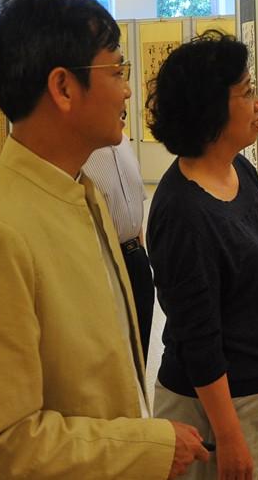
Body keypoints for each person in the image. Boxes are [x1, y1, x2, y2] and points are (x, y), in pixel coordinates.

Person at [0, 0, 209, 479]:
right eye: (116, 71)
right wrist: (146, 447)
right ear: (63, 87)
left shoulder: (79, 192)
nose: (127, 91)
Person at [146, 31, 258, 480]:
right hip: (218, 412)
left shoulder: (239, 168)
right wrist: (229, 434)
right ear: (211, 107)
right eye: (247, 92)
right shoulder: (183, 210)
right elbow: (197, 335)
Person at [82, 133, 155, 362]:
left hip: (135, 258)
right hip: (102, 266)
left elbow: (134, 201)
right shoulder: (80, 149)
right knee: (113, 359)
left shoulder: (123, 142)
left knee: (140, 349)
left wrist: (139, 251)